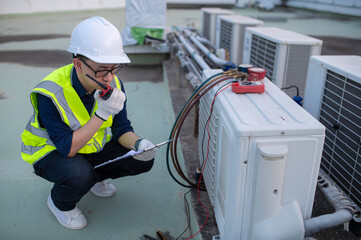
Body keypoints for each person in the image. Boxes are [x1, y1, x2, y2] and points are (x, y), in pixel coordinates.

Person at [21, 16, 157, 230]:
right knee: (78, 175)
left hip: (89, 148)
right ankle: (59, 203)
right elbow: (67, 148)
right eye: (102, 69)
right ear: (78, 64)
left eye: (114, 68)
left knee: (140, 160)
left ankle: (92, 179)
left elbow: (121, 129)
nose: (109, 78)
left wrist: (139, 144)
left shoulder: (115, 83)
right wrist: (102, 115)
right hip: (50, 153)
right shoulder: (49, 93)